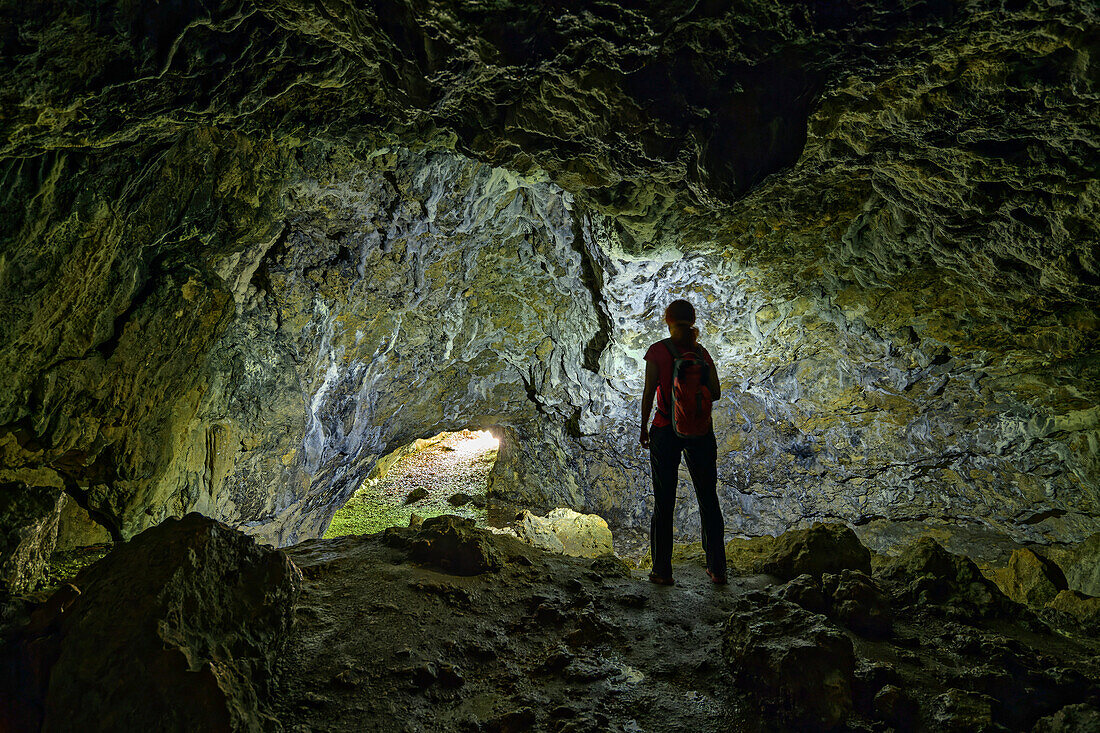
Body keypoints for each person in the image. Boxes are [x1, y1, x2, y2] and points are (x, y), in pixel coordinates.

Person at [640, 299, 727, 585]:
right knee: (708, 499)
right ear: (692, 321)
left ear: (667, 319)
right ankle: (717, 569)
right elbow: (714, 392)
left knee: (664, 503)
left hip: (664, 429)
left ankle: (662, 571)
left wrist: (643, 427)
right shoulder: (701, 353)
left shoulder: (657, 351)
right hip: (701, 432)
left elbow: (649, 391)